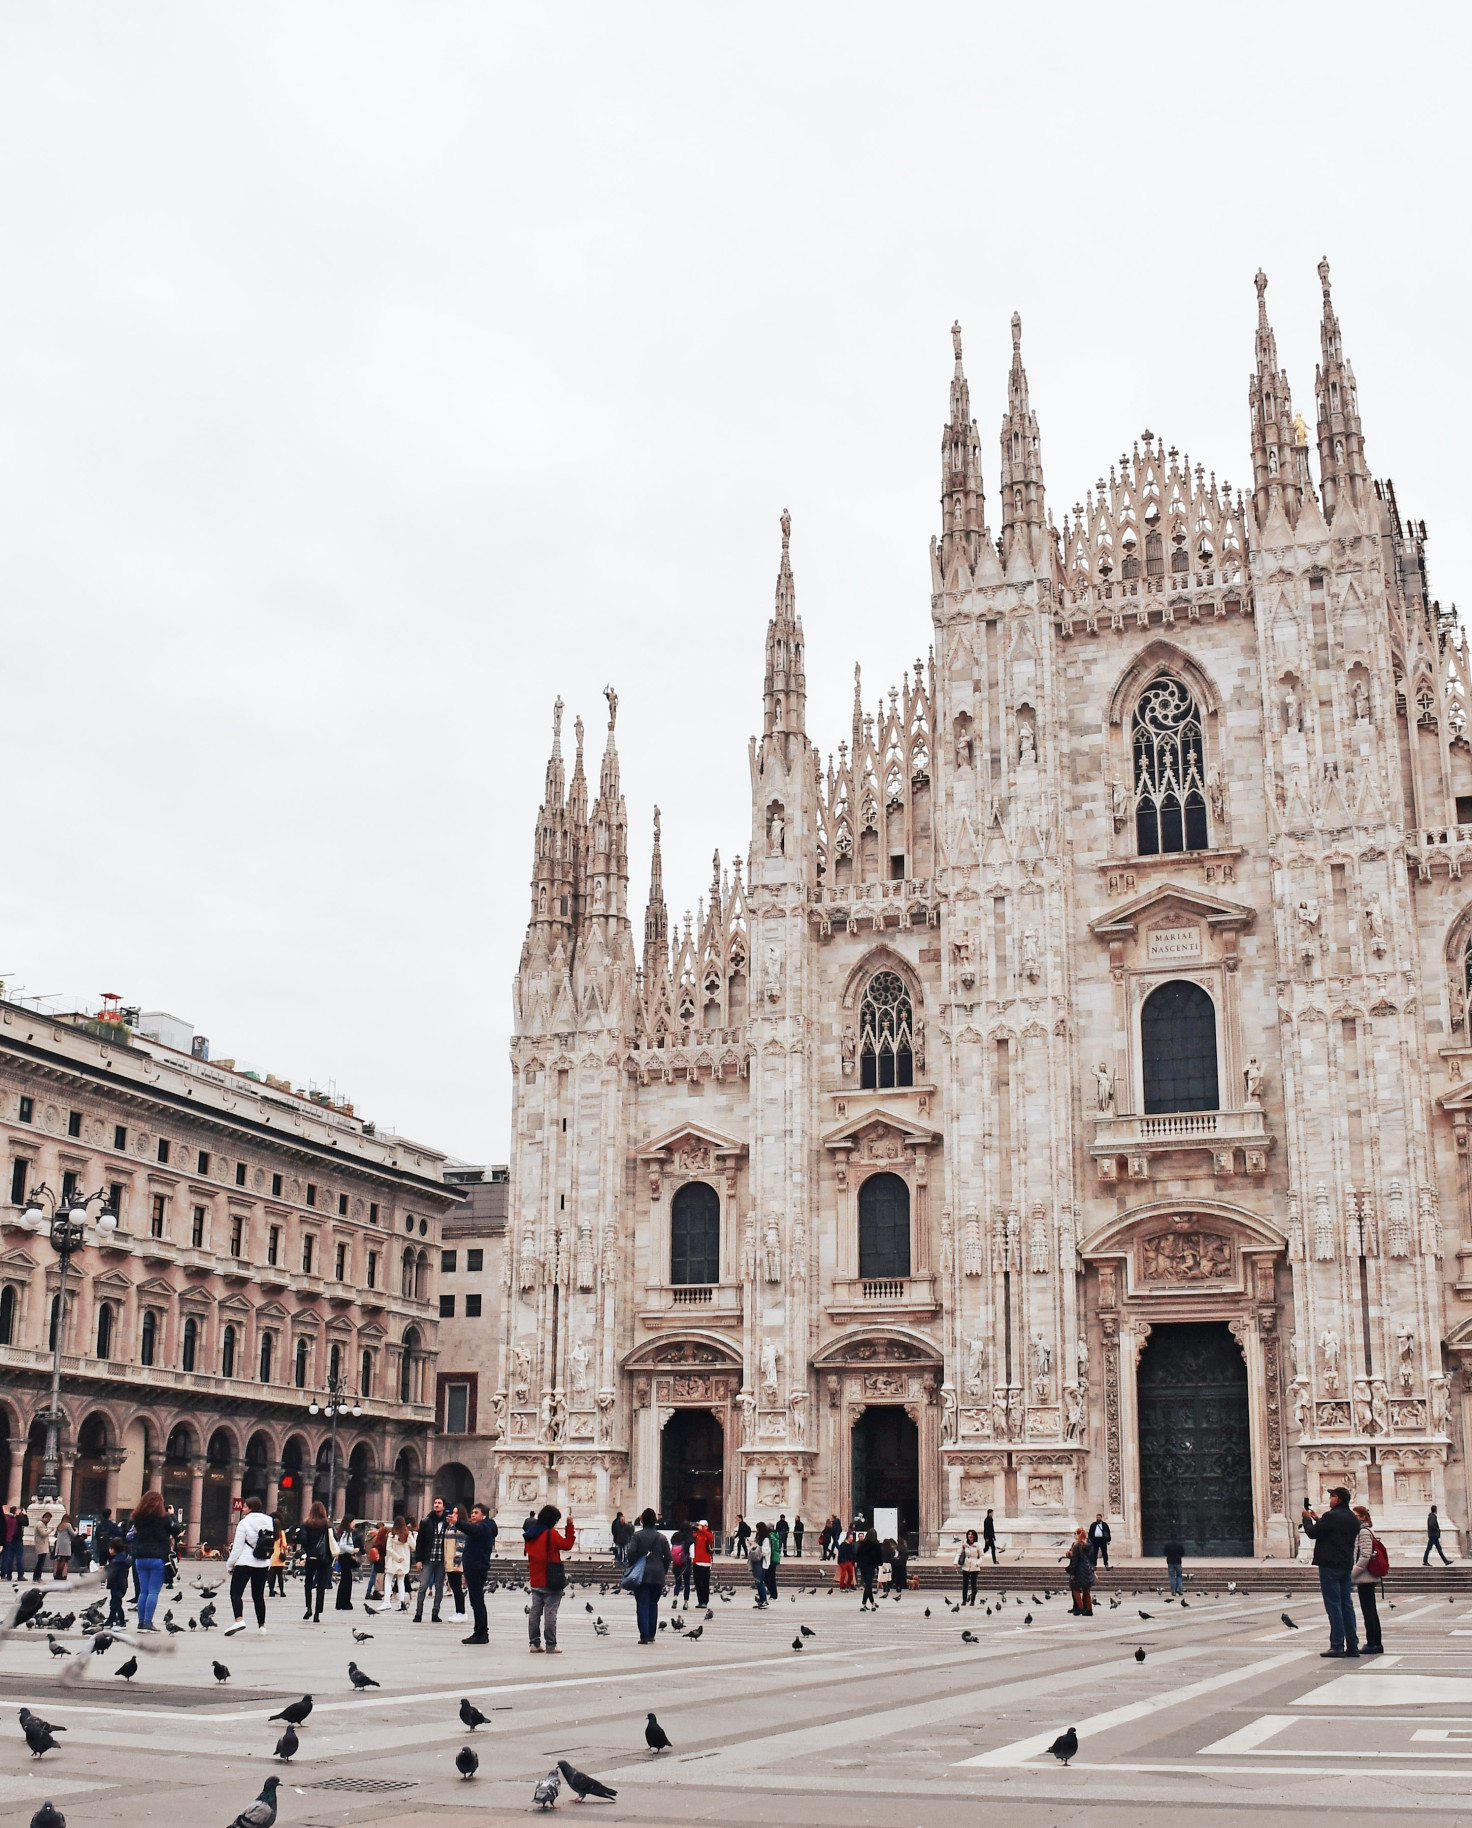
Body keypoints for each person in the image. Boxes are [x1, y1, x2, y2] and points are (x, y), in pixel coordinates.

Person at [1301, 1488, 1361, 1657]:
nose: (1330, 1498)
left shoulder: (1331, 1516)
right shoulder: (1352, 1518)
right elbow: (1335, 1532)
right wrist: (1318, 1520)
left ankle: (1336, 1645)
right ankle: (1352, 1645)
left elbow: (1312, 1534)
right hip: (1345, 1565)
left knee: (1333, 1605)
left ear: (1339, 1499)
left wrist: (1307, 1520)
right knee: (1346, 1605)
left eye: (1333, 1496)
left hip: (1329, 1566)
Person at [224, 1497, 276, 1634]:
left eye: (245, 1507)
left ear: (251, 1508)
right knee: (258, 1595)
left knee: (235, 1593)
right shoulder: (269, 1521)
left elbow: (237, 1548)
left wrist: (230, 1565)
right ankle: (262, 1626)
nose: (243, 1509)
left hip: (245, 1562)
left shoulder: (244, 1523)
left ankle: (239, 1620)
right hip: (263, 1562)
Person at [128, 1490, 177, 1630]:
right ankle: (148, 1622)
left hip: (140, 1558)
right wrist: (172, 1515)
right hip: (157, 1558)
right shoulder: (165, 1518)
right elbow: (176, 1531)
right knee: (153, 1592)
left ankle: (141, 1622)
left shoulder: (138, 1518)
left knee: (143, 1591)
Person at [628, 1507, 670, 1644]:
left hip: (642, 1574)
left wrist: (634, 1565)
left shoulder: (637, 1536)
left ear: (642, 1521)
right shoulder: (662, 1538)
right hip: (657, 1574)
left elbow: (631, 1553)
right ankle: (651, 1634)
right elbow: (668, 1557)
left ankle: (644, 1636)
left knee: (642, 1604)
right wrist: (662, 1569)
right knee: (653, 1604)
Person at [460, 1502, 497, 1645]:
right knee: (476, 1601)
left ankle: (481, 1633)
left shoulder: (484, 1528)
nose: (472, 1515)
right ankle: (480, 1632)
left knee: (477, 1601)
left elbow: (471, 1530)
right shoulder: (482, 1528)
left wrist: (457, 1522)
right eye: (472, 1513)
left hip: (477, 1568)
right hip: (473, 1569)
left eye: (476, 1513)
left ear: (484, 1515)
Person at [1351, 1503, 1385, 1656]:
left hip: (1366, 1577)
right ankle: (1374, 1642)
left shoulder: (1364, 1532)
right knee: (1369, 1610)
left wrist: (1352, 1575)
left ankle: (1374, 1643)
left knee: (1369, 1611)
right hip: (1366, 1577)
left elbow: (1364, 1556)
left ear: (1363, 1517)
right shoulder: (1363, 1531)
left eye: (1355, 1516)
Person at [413, 1496, 450, 1623]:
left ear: (444, 1506)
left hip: (441, 1560)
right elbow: (420, 1542)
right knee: (423, 1586)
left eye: (439, 1503)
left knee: (439, 1587)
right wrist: (418, 1559)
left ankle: (435, 1613)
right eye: (435, 1503)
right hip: (428, 1559)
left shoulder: (448, 1522)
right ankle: (418, 1613)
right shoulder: (426, 1521)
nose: (437, 1505)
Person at [298, 1502, 334, 1622]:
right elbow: (333, 1540)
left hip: (311, 1557)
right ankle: (317, 1613)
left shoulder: (306, 1524)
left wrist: (308, 1548)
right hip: (324, 1558)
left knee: (308, 1583)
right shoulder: (327, 1524)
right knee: (321, 1585)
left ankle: (308, 1608)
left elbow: (303, 1540)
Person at [383, 1516, 413, 1608]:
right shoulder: (407, 1534)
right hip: (404, 1561)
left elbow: (388, 1548)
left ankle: (387, 1602)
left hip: (393, 1560)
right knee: (401, 1581)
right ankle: (401, 1603)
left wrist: (396, 1557)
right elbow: (415, 1546)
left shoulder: (391, 1534)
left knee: (388, 1580)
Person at [1065, 1527, 1095, 1616]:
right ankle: (1089, 1610)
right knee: (1086, 1591)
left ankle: (1081, 1608)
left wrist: (1072, 1573)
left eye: (1076, 1534)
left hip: (1079, 1570)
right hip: (1087, 1570)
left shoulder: (1077, 1546)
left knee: (1075, 1588)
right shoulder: (1089, 1545)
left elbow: (1075, 1560)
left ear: (1079, 1535)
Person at [444, 1514, 467, 1622]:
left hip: (455, 1562)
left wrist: (457, 1563)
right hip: (449, 1561)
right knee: (454, 1587)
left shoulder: (459, 1528)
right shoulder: (450, 1527)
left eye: (456, 1513)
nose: (453, 1515)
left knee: (457, 1588)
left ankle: (461, 1612)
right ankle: (458, 1611)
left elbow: (461, 1545)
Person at [104, 1540, 132, 1627]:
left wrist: (104, 1569)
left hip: (116, 1585)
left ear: (113, 1549)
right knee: (114, 1603)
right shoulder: (123, 1559)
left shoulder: (116, 1561)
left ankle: (121, 1621)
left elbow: (111, 1572)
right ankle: (111, 1620)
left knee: (116, 1604)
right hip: (122, 1585)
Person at [855, 1529, 883, 1610]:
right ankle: (863, 1604)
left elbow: (858, 1555)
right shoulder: (876, 1545)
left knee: (868, 1584)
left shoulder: (862, 1544)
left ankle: (873, 1603)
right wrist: (879, 1564)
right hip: (871, 1567)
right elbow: (879, 1557)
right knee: (868, 1584)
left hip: (863, 1567)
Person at [691, 1517, 715, 1609]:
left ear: (705, 1526)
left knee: (705, 1583)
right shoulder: (696, 1534)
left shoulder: (708, 1534)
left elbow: (710, 1539)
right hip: (696, 1561)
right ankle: (700, 1601)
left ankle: (705, 1601)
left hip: (705, 1562)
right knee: (697, 1583)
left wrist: (703, 1530)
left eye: (700, 1525)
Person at [363, 1521, 388, 1603]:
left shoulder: (371, 1535)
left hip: (373, 1556)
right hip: (379, 1558)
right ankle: (376, 1592)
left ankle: (369, 1592)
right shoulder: (380, 1537)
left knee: (374, 1575)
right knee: (377, 1576)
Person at [670, 1522, 694, 1607]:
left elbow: (672, 1545)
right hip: (686, 1563)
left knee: (678, 1583)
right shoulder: (690, 1538)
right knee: (687, 1583)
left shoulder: (675, 1536)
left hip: (676, 1563)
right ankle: (685, 1603)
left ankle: (675, 1598)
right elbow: (692, 1553)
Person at [747, 1523, 771, 1607]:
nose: (756, 1531)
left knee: (760, 1581)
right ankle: (761, 1600)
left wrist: (754, 1545)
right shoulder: (759, 1538)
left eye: (757, 1529)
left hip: (762, 1562)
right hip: (756, 1562)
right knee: (757, 1582)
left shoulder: (766, 1539)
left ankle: (764, 1600)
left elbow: (765, 1551)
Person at [958, 1529, 984, 1605]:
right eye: (969, 1534)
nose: (970, 1535)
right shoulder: (964, 1544)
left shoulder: (978, 1545)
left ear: (974, 1536)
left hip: (974, 1567)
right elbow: (958, 1553)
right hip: (966, 1566)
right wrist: (955, 1562)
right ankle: (964, 1600)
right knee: (965, 1585)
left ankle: (972, 1600)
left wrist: (977, 1563)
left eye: (972, 1534)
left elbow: (982, 1556)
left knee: (973, 1585)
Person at [0, 1506, 22, 1580]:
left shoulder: (5, 1518)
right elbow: (15, 1530)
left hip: (3, 1539)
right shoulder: (14, 1520)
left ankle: (3, 1573)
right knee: (7, 1558)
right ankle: (4, 1574)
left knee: (4, 1558)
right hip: (9, 1539)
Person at [30, 1512, 53, 1582]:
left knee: (41, 1562)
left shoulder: (43, 1524)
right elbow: (43, 1533)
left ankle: (37, 1577)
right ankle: (37, 1577)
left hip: (43, 1545)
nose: (49, 1520)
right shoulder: (40, 1524)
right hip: (41, 1545)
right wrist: (50, 1530)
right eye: (48, 1519)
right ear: (45, 1517)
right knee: (40, 1562)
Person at [268, 1524, 288, 1597]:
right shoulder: (281, 1533)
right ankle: (282, 1591)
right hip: (279, 1556)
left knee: (271, 1575)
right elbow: (284, 1545)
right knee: (280, 1576)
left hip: (271, 1556)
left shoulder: (270, 1532)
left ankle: (271, 1591)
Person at [765, 1513, 782, 1600]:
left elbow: (768, 1549)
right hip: (774, 1558)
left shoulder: (770, 1536)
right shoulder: (775, 1535)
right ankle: (772, 1593)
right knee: (769, 1576)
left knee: (769, 1577)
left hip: (771, 1559)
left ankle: (773, 1594)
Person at [52, 1515, 73, 1580]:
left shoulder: (59, 1525)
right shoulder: (68, 1525)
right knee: (63, 1559)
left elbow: (55, 1535)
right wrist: (77, 1531)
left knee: (59, 1559)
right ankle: (60, 1574)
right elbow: (73, 1534)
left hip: (59, 1544)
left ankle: (56, 1573)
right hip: (66, 1544)